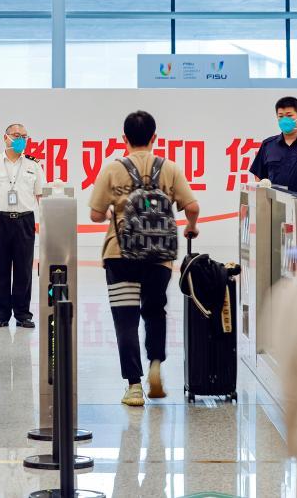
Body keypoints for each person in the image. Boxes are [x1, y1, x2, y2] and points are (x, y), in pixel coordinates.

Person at [89, 111, 200, 407]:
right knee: (154, 311)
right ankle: (155, 365)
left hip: (120, 255)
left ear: (124, 138)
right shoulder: (169, 168)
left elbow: (96, 214)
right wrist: (191, 226)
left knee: (125, 318)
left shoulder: (113, 169)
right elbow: (192, 206)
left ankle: (134, 386)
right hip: (159, 258)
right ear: (154, 137)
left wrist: (112, 212)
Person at [0, 123, 43, 329]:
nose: (21, 139)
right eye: (17, 135)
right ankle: (0, 315)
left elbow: (41, 196)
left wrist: (45, 220)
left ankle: (23, 314)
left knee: (24, 269)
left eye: (25, 136)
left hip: (25, 220)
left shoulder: (33, 165)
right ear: (6, 138)